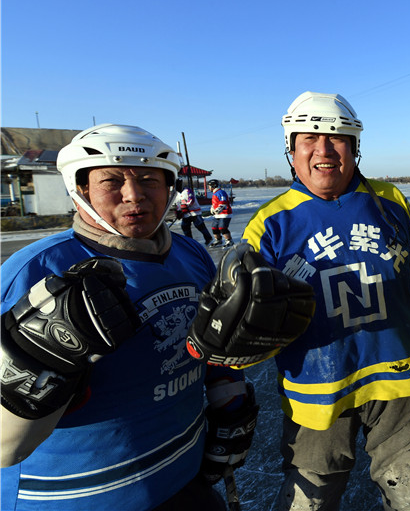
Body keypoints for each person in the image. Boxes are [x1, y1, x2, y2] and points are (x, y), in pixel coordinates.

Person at [0, 124, 260, 510]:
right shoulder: (35, 270)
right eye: (111, 181)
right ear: (81, 190)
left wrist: (230, 397)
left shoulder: (192, 254)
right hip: (76, 497)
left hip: (184, 476)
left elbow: (210, 349)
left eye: (148, 180)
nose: (134, 195)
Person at [240, 91, 410, 511]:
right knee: (310, 499)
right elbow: (247, 327)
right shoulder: (269, 224)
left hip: (400, 386)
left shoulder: (391, 202)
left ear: (355, 147)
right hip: (317, 397)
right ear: (291, 150)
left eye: (337, 138)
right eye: (309, 139)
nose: (324, 150)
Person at [175, 178, 214, 246]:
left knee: (199, 225)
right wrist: (178, 212)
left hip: (194, 212)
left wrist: (186, 206)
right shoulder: (177, 194)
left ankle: (208, 238)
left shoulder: (187, 190)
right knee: (185, 226)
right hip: (186, 214)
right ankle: (190, 241)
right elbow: (177, 204)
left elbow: (191, 200)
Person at [208, 179, 233, 247]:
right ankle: (218, 240)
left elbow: (223, 202)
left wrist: (219, 209)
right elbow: (215, 203)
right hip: (218, 215)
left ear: (213, 186)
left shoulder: (221, 192)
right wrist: (212, 208)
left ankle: (229, 241)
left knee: (222, 228)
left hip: (225, 213)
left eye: (209, 186)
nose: (208, 187)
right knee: (214, 227)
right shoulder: (215, 193)